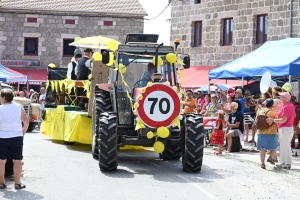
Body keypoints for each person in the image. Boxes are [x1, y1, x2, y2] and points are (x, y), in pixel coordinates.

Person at [0, 89, 29, 189]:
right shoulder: (18, 107)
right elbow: (26, 122)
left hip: (2, 137)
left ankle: (1, 183)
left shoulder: (0, 108)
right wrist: (23, 132)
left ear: (3, 97)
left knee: (1, 161)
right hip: (16, 137)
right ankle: (17, 183)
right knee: (17, 161)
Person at [266, 92, 295, 169]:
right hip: (287, 128)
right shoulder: (290, 105)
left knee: (285, 146)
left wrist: (273, 120)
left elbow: (283, 119)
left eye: (282, 97)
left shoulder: (286, 106)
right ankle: (284, 163)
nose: (280, 98)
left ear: (286, 98)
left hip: (285, 128)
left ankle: (287, 163)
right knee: (284, 146)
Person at [256, 99, 278, 169]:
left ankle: (262, 164)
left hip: (260, 132)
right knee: (274, 147)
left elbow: (256, 121)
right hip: (271, 133)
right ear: (272, 105)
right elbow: (275, 122)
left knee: (262, 149)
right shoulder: (273, 113)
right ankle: (271, 157)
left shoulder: (259, 111)